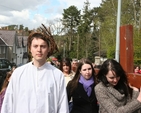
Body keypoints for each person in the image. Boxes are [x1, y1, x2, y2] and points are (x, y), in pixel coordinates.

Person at [1, 24, 69, 113]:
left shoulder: (57, 75)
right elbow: (8, 104)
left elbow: (63, 106)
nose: (39, 50)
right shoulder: (18, 73)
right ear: (30, 49)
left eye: (43, 46)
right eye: (35, 46)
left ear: (48, 49)